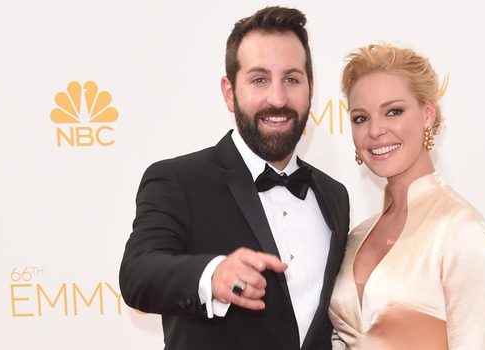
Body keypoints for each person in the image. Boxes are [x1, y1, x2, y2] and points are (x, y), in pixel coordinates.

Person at [119, 7, 350, 350]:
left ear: (310, 89)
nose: (278, 98)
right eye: (259, 79)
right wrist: (212, 275)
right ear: (229, 92)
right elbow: (138, 274)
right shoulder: (178, 180)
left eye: (291, 79)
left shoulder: (334, 195)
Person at [328, 44, 485, 349]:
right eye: (360, 118)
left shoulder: (459, 229)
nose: (376, 130)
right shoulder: (356, 237)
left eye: (393, 111)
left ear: (427, 114)